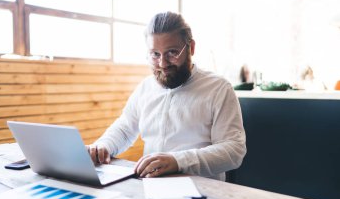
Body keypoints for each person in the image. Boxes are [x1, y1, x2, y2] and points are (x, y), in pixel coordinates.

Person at [87, 11, 246, 180]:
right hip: (151, 186)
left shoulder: (218, 89)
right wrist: (103, 146)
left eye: (172, 52)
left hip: (203, 192)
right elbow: (125, 128)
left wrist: (178, 161)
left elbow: (233, 150)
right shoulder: (145, 87)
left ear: (191, 48)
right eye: (155, 54)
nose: (163, 64)